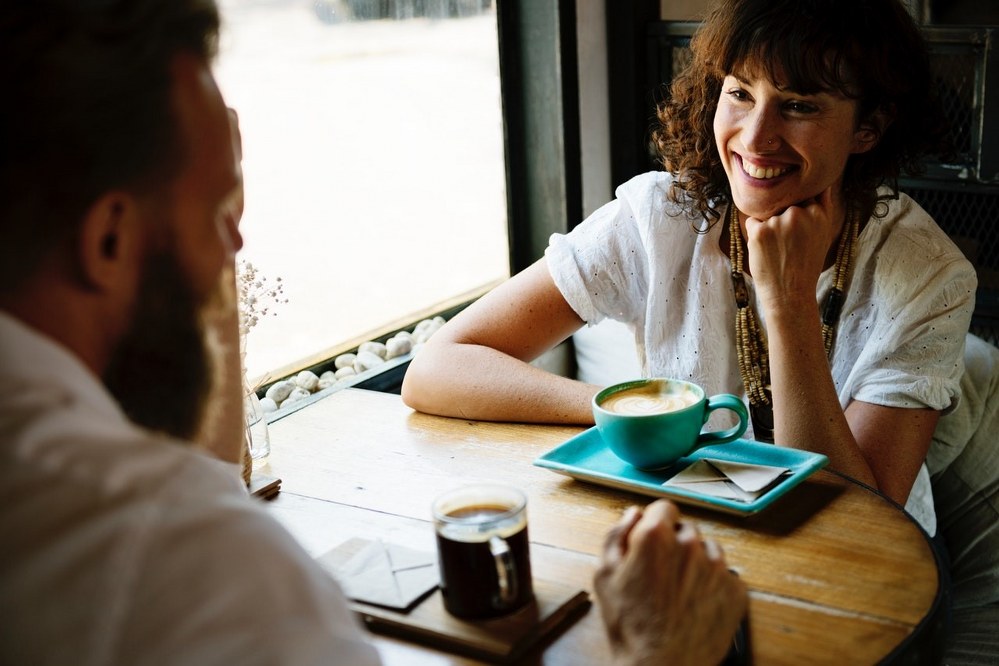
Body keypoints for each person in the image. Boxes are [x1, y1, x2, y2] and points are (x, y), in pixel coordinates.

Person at [0, 0, 746, 663]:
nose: (234, 259)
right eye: (219, 216)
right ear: (107, 242)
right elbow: (431, 368)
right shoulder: (187, 560)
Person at [402, 0, 977, 536]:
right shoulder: (660, 216)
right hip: (691, 532)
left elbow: (857, 520)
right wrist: (635, 418)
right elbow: (436, 369)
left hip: (869, 570)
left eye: (799, 105)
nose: (755, 138)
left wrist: (788, 302)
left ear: (868, 128)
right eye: (741, 93)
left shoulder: (931, 276)